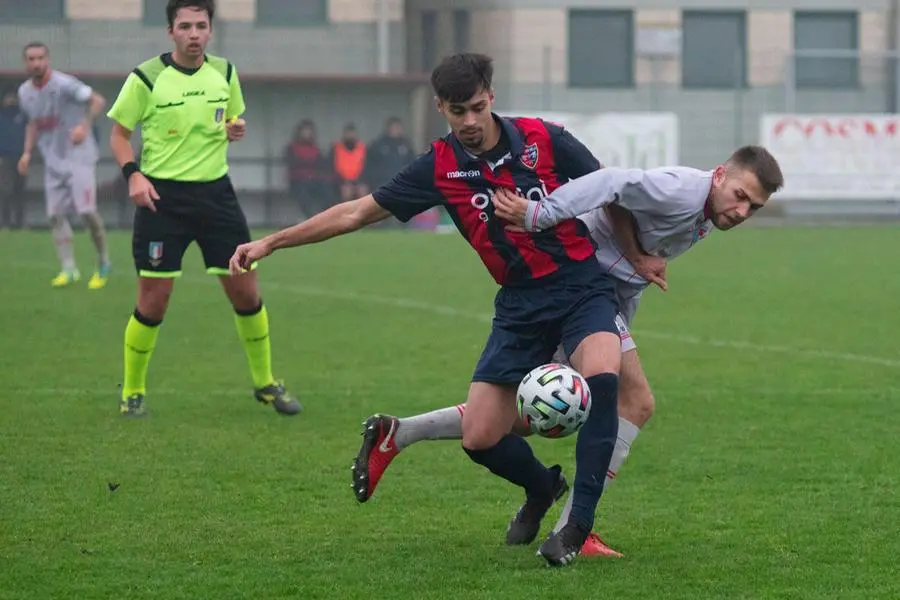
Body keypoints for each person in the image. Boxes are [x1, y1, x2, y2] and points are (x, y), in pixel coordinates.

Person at [229, 52, 624, 567]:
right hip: (520, 306)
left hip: (579, 286)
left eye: (477, 107)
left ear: (492, 98)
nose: (470, 122)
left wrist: (638, 254)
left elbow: (610, 187)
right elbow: (354, 212)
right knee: (480, 437)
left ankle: (576, 527)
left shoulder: (542, 138)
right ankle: (540, 486)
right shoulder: (439, 166)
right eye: (457, 111)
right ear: (440, 107)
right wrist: (273, 243)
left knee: (603, 383)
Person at [351, 146, 785, 560]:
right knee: (634, 402)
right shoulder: (683, 190)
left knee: (528, 418)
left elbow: (621, 212)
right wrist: (542, 213)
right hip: (578, 289)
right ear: (720, 175)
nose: (743, 211)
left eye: (754, 208)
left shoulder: (710, 206)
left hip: (597, 296)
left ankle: (402, 433)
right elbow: (612, 180)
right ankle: (573, 527)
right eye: (740, 196)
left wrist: (637, 258)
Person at [105, 0, 300, 417]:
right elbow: (119, 136)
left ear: (210, 30)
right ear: (170, 32)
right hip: (163, 201)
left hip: (216, 198)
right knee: (154, 301)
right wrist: (133, 175)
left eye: (201, 25)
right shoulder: (146, 77)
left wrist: (235, 128)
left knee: (247, 291)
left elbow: (231, 121)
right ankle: (133, 391)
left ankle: (266, 384)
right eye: (185, 26)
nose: (194, 34)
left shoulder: (225, 73)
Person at [16, 42, 111, 289]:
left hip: (79, 157)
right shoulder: (25, 92)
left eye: (40, 58)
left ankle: (103, 263)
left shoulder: (64, 84)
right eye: (31, 59)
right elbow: (32, 124)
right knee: (54, 216)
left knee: (86, 212)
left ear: (47, 59)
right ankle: (69, 269)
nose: (36, 63)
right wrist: (26, 152)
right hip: (52, 161)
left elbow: (97, 101)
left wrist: (84, 127)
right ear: (25, 63)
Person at [0, 90, 27, 230]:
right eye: (8, 97)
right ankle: (5, 223)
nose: (11, 100)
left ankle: (20, 223)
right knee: (6, 190)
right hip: (4, 158)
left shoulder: (22, 116)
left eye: (13, 97)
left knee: (20, 190)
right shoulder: (1, 116)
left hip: (21, 157)